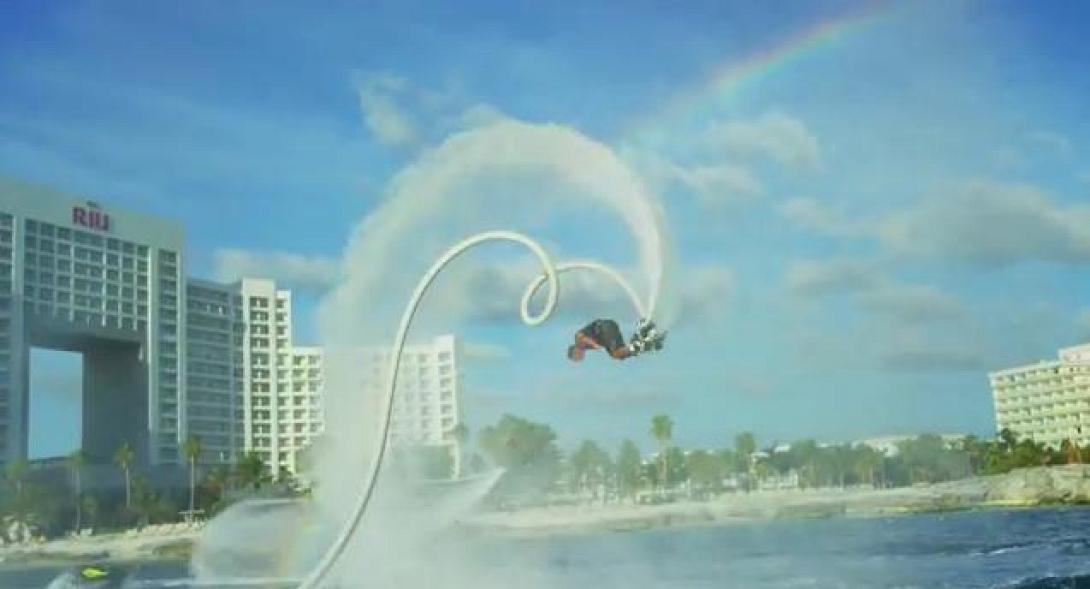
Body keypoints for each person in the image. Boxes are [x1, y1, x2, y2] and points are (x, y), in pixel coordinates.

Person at [566, 318, 663, 362]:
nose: (580, 359)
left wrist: (595, 345)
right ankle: (643, 337)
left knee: (616, 353)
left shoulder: (578, 341)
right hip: (607, 331)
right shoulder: (584, 347)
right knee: (619, 355)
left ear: (575, 351)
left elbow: (582, 337)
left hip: (605, 328)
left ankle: (643, 344)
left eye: (576, 358)